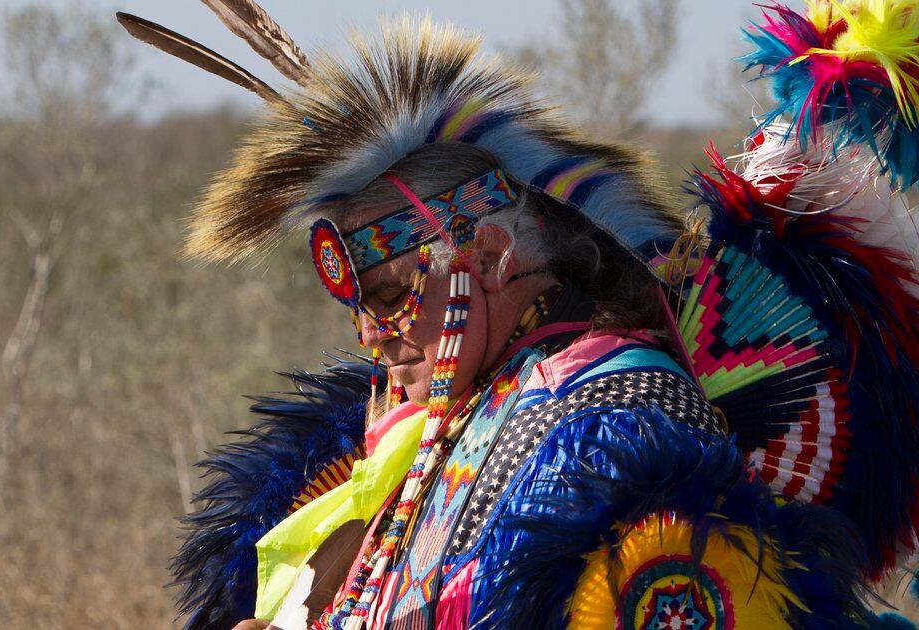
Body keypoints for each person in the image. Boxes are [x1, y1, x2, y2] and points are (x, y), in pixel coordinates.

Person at [119, 1, 919, 627]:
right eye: (362, 309)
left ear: (496, 255)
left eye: (395, 298)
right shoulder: (432, 429)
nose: (371, 337)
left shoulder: (615, 430)